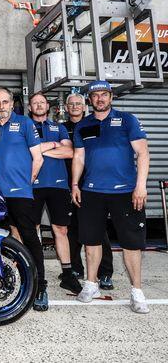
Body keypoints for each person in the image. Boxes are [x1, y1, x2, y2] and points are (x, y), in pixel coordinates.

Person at [71, 81, 150, 313]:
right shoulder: (83, 125)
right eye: (95, 95)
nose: (100, 98)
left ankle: (137, 292)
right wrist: (75, 184)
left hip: (125, 192)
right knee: (91, 241)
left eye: (104, 94)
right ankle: (91, 284)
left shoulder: (127, 120)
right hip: (92, 192)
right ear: (90, 99)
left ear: (111, 97)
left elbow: (143, 153)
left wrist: (141, 186)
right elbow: (78, 157)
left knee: (131, 244)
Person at [0, 87, 48, 311]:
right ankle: (2, 282)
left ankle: (40, 287)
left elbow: (38, 158)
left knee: (30, 239)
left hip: (20, 193)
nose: (1, 106)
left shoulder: (25, 123)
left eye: (5, 102)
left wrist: (27, 182)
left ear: (12, 104)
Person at [28, 92, 82, 294]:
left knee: (61, 230)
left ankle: (67, 275)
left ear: (47, 106)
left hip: (58, 186)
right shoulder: (25, 126)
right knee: (32, 230)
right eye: (35, 103)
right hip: (31, 186)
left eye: (42, 102)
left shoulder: (58, 128)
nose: (39, 105)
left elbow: (69, 152)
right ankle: (34, 273)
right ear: (30, 107)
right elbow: (23, 152)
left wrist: (39, 150)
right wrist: (54, 145)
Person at [63, 93, 114, 288]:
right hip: (70, 184)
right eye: (71, 104)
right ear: (66, 108)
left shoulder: (93, 124)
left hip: (93, 184)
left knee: (98, 230)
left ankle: (105, 273)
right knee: (72, 228)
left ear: (84, 106)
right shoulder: (62, 128)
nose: (75, 106)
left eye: (78, 103)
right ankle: (76, 268)